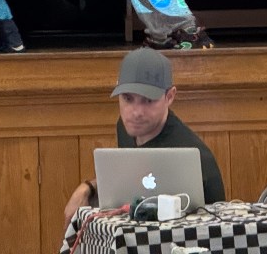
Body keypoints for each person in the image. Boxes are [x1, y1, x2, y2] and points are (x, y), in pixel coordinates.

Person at [63, 47, 225, 225]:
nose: (136, 112)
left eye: (148, 100)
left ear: (170, 96)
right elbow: (132, 177)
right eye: (128, 98)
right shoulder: (125, 127)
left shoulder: (195, 158)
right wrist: (88, 188)